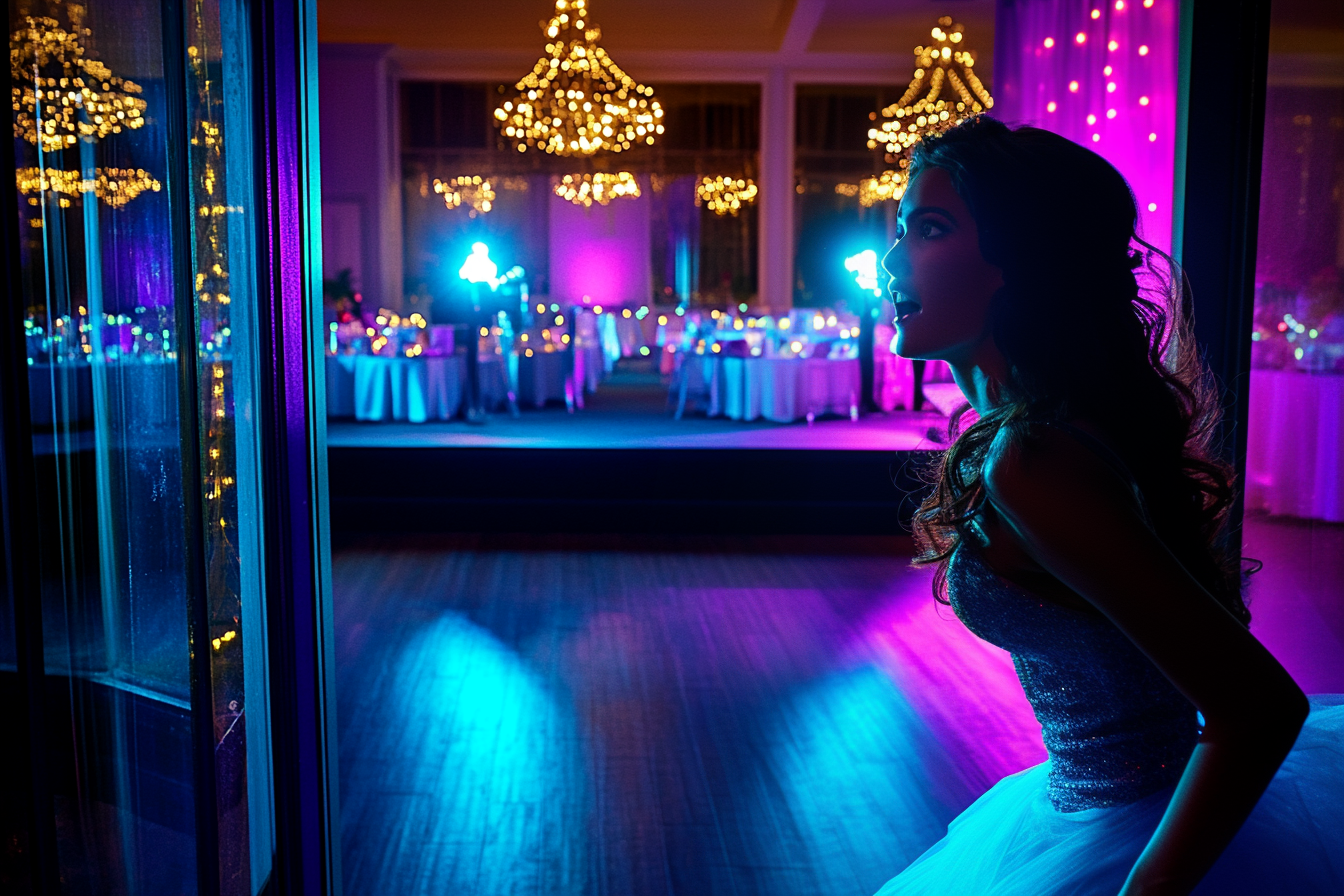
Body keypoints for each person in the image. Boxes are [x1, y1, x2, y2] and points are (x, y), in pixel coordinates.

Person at [876, 117, 1342, 896]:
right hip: (1088, 808)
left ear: (1015, 260)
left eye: (928, 228)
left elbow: (1258, 708)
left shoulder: (1035, 457)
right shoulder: (1048, 430)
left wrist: (1146, 889)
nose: (892, 260)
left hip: (1134, 834)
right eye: (901, 230)